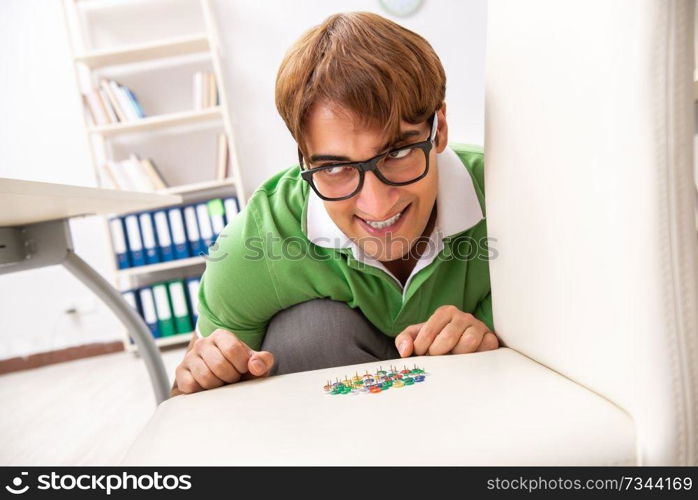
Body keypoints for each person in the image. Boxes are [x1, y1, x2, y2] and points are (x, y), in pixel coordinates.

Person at [171, 11, 498, 397]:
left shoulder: (509, 197)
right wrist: (202, 375)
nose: (377, 205)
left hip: (475, 415)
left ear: (438, 129)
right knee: (309, 331)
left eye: (397, 153)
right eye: (336, 168)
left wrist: (493, 345)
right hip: (333, 438)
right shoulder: (257, 239)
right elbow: (186, 400)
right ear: (305, 159)